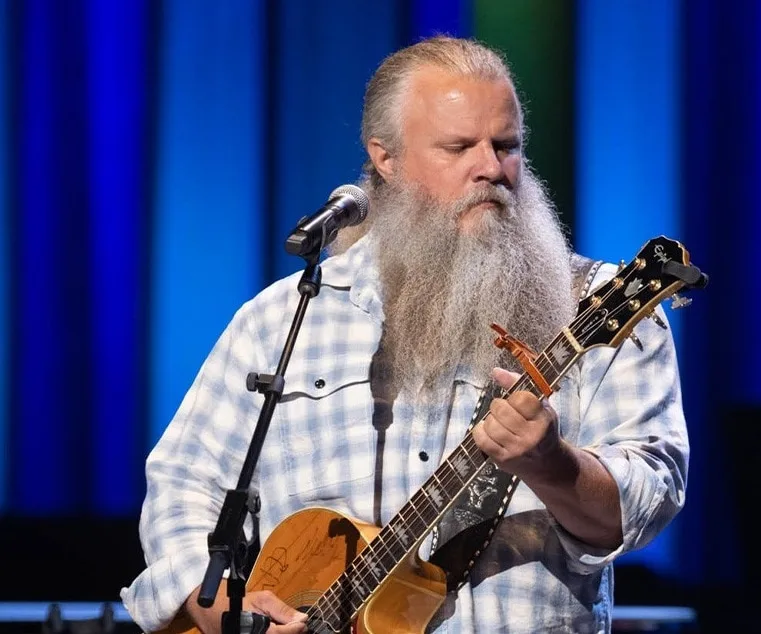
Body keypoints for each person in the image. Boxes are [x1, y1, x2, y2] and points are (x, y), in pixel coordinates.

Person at [122, 36, 689, 634]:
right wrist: (220, 614)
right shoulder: (280, 320)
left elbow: (646, 501)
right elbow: (184, 485)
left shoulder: (597, 306)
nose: (492, 169)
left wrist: (551, 464)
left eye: (506, 146)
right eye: (458, 147)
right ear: (385, 159)